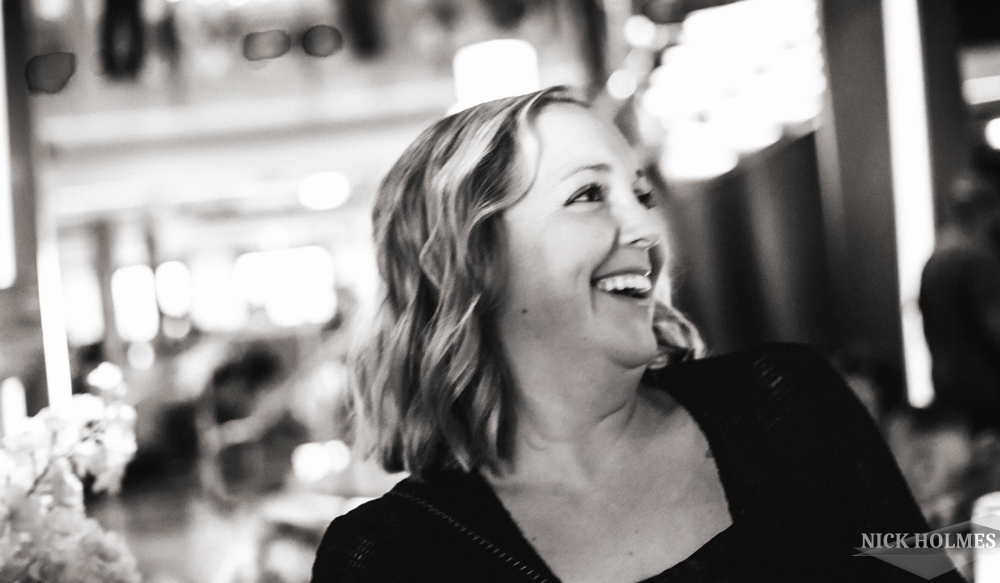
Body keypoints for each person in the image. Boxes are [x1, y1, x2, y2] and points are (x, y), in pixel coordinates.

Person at [312, 87, 960, 582]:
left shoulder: (784, 399)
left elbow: (921, 568)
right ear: (472, 259)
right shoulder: (392, 557)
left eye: (643, 195)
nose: (649, 230)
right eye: (589, 195)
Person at [919, 174, 1000, 434]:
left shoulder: (934, 258)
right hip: (986, 387)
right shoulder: (977, 258)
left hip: (946, 382)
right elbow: (994, 326)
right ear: (988, 212)